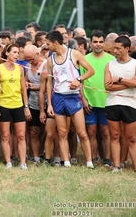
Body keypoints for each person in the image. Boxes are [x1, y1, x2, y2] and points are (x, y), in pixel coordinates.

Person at [45, 30, 95, 169]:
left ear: (55, 43)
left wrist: (78, 79)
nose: (46, 46)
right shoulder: (50, 60)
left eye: (48, 43)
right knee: (61, 132)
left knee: (82, 133)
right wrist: (49, 103)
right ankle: (66, 162)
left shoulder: (74, 54)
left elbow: (91, 71)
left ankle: (89, 162)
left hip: (73, 97)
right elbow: (50, 83)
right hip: (58, 97)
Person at [81, 29, 114, 167]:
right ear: (90, 43)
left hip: (107, 102)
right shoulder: (84, 60)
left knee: (106, 132)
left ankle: (107, 159)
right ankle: (93, 158)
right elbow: (80, 82)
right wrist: (83, 99)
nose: (98, 44)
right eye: (95, 42)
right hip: (90, 102)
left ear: (105, 43)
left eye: (101, 42)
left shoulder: (111, 60)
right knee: (91, 131)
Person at [104, 36, 136, 172]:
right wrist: (128, 84)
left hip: (130, 103)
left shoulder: (134, 64)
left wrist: (119, 79)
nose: (115, 51)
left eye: (118, 48)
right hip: (112, 103)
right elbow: (107, 86)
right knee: (114, 135)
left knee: (132, 137)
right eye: (114, 48)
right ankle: (116, 166)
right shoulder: (110, 65)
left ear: (127, 49)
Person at [0, 44, 31, 169]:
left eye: (18, 52)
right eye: (14, 52)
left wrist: (26, 106)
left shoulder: (20, 69)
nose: (17, 55)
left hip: (18, 105)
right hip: (3, 104)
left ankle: (23, 162)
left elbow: (23, 89)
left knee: (21, 135)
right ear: (7, 53)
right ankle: (8, 162)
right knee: (5, 135)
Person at [24, 44, 47, 165]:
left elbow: (49, 86)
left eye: (32, 59)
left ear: (37, 54)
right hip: (33, 103)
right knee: (33, 132)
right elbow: (25, 82)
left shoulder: (46, 65)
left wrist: (34, 87)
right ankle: (36, 157)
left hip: (47, 102)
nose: (30, 62)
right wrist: (27, 85)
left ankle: (45, 153)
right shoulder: (27, 66)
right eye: (28, 60)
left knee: (47, 131)